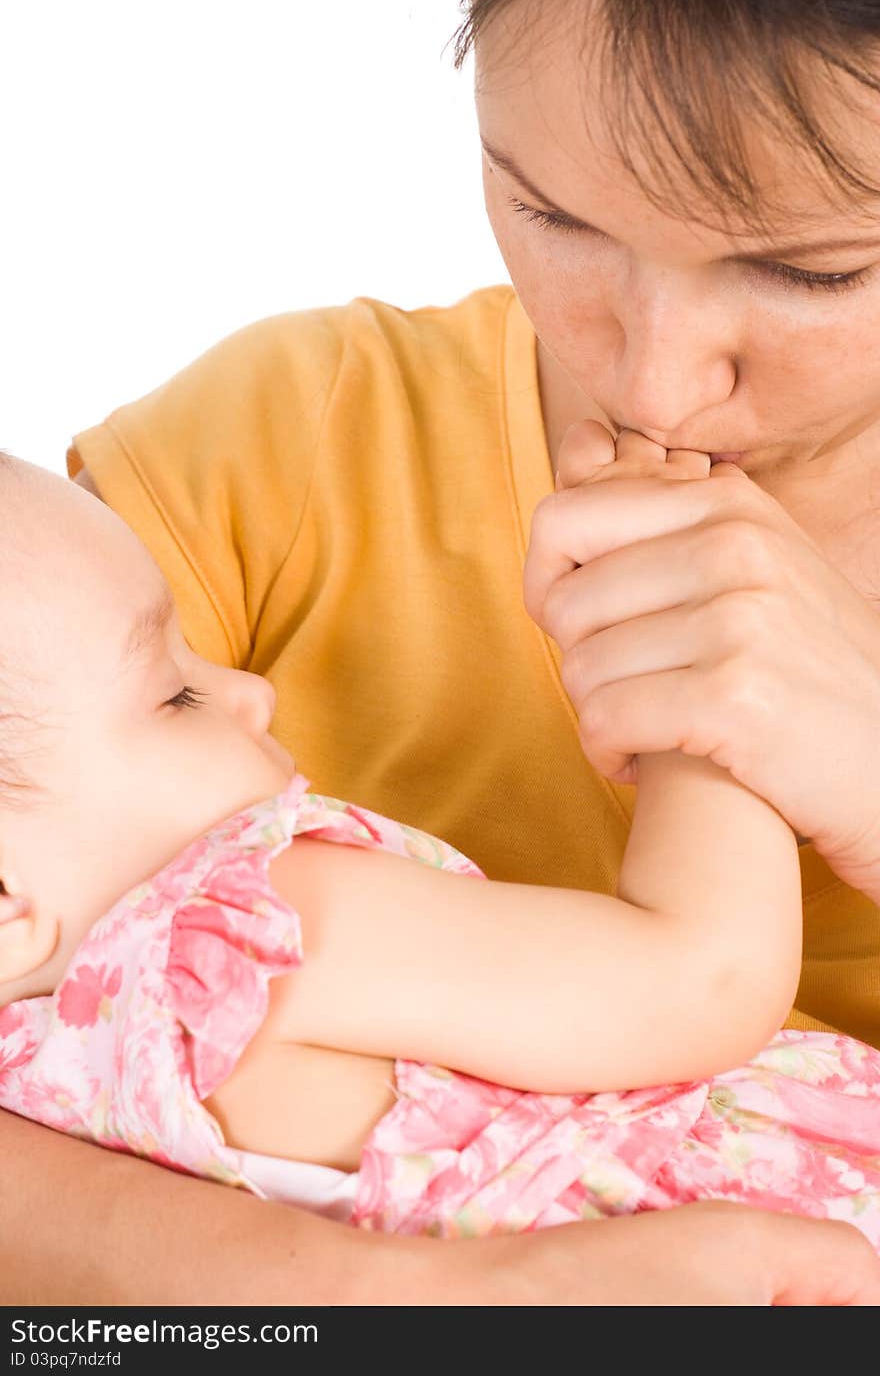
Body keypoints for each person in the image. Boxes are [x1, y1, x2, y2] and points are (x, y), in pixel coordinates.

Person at [3, 0, 880, 1304]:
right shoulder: (282, 453)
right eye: (555, 213)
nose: (649, 383)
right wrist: (412, 1310)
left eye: (810, 271)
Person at [3, 446, 877, 1249]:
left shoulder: (44, 1080)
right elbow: (702, 980)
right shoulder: (245, 941)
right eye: (175, 695)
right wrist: (697, 681)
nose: (251, 692)